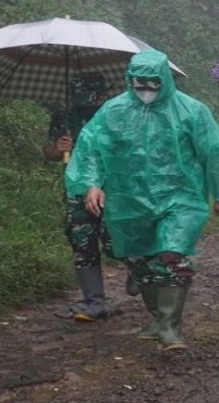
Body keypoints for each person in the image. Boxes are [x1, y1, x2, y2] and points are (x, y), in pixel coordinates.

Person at [65, 49, 219, 350]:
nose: (146, 90)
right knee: (141, 260)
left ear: (165, 80)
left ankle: (169, 327)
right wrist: (91, 184)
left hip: (180, 197)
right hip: (130, 200)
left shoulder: (191, 111)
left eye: (153, 84)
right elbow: (90, 148)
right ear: (129, 80)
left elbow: (215, 152)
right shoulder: (113, 111)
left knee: (173, 255)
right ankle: (157, 319)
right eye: (139, 84)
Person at [42, 72, 135, 322]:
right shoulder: (64, 115)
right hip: (76, 188)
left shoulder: (116, 114)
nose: (87, 98)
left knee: (114, 238)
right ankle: (94, 302)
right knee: (81, 242)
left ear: (103, 93)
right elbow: (49, 150)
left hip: (112, 187)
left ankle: (137, 267)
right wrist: (57, 148)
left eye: (92, 92)